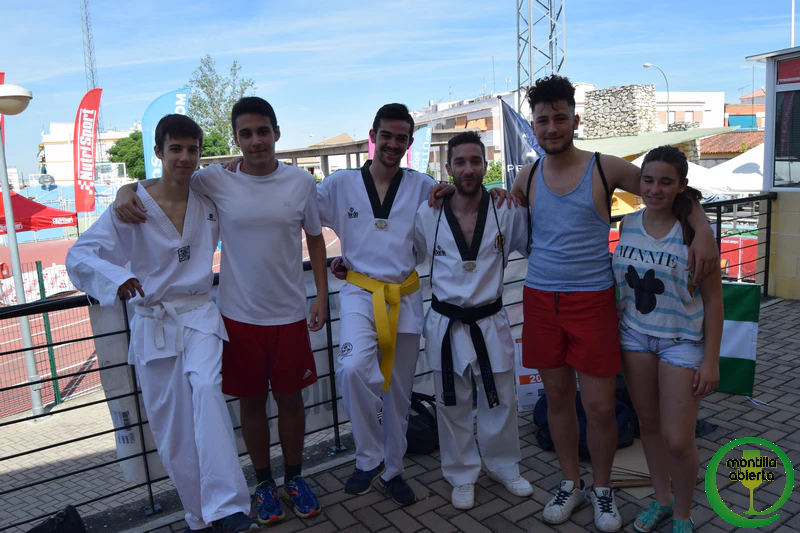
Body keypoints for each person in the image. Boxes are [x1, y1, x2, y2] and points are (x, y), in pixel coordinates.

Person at [504, 75, 719, 532]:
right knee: (557, 400)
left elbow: (669, 189)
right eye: (542, 120)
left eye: (560, 117)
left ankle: (602, 489)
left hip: (593, 301)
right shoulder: (527, 175)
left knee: (600, 408)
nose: (551, 127)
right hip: (541, 299)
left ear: (575, 119)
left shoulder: (605, 167)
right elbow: (493, 213)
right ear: (533, 125)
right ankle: (570, 483)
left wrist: (701, 227)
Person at [112, 98, 328, 525]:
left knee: (290, 401)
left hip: (289, 315)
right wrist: (126, 189)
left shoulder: (301, 182)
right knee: (251, 403)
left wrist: (320, 295)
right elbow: (169, 178)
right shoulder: (215, 179)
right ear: (236, 139)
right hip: (238, 317)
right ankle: (263, 484)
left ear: (276, 133)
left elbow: (316, 238)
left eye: (262, 131)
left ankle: (295, 478)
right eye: (245, 134)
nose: (255, 141)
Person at [67, 115, 260, 533]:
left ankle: (228, 507)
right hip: (153, 322)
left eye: (192, 149)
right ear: (158, 152)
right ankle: (198, 514)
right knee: (172, 426)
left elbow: (247, 186)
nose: (185, 158)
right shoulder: (132, 207)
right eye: (176, 149)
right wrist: (116, 279)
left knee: (207, 390)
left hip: (199, 314)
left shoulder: (207, 197)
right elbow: (79, 255)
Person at [413, 131, 533, 510]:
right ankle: (462, 474)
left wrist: (513, 194)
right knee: (452, 404)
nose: (468, 169)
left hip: (489, 319)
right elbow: (405, 255)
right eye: (460, 162)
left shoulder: (505, 211)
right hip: (445, 323)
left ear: (485, 165)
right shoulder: (428, 213)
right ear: (448, 168)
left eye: (475, 161)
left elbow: (535, 246)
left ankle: (503, 466)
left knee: (502, 400)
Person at [613, 146, 721, 533]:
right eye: (648, 180)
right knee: (649, 426)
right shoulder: (627, 224)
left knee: (678, 439)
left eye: (665, 182)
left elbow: (714, 301)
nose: (654, 189)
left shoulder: (694, 234)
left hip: (681, 341)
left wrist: (711, 360)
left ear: (682, 186)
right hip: (635, 336)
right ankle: (661, 500)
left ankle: (683, 513)